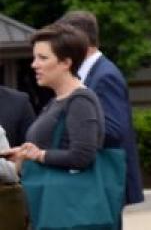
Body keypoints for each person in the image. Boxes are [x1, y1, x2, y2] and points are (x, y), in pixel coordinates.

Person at [57, 10, 144, 205]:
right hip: (100, 182)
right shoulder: (91, 73)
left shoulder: (105, 76)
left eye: (65, 41)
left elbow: (113, 130)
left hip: (107, 182)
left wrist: (70, 137)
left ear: (82, 41)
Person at [4, 24, 104, 174]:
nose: (34, 65)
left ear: (66, 63)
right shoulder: (57, 101)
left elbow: (82, 157)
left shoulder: (80, 100)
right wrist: (24, 153)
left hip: (68, 194)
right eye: (35, 58)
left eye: (43, 58)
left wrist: (39, 155)